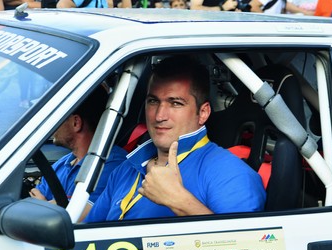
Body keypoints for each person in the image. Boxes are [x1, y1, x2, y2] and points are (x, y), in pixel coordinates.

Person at [84, 55, 266, 223]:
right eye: (153, 101)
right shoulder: (127, 167)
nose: (159, 116)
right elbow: (87, 235)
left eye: (175, 103)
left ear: (203, 113)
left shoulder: (232, 175)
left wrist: (178, 200)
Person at [30, 85, 127, 221]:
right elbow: (34, 201)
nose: (52, 124)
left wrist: (46, 204)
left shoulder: (112, 166)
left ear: (76, 123)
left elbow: (77, 217)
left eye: (57, 117)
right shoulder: (62, 164)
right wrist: (57, 206)